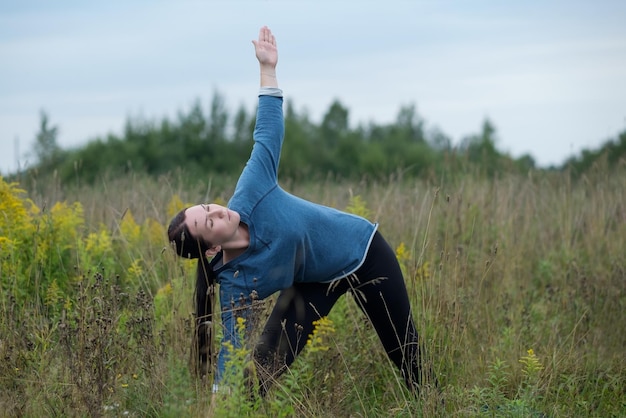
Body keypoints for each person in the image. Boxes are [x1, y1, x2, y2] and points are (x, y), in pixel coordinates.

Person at [168, 26, 434, 396]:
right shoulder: (233, 282)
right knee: (260, 375)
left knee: (407, 357)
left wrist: (267, 69)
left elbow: (267, 133)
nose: (218, 213)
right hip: (311, 284)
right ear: (211, 249)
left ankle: (431, 402)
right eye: (208, 223)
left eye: (209, 207)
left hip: (362, 252)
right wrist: (219, 400)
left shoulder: (251, 191)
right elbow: (230, 347)